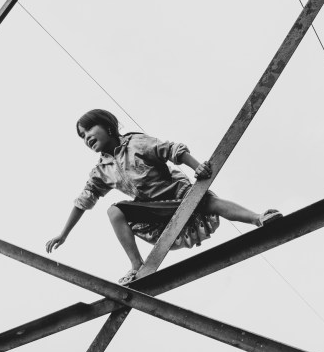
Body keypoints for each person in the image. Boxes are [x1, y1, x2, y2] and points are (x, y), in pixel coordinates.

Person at [45, 109, 281, 284]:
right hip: (153, 212)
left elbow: (171, 150)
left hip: (178, 195)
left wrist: (198, 168)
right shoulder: (101, 171)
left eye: (89, 130)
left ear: (107, 126)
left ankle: (258, 218)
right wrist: (63, 234)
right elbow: (83, 201)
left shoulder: (135, 143)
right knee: (114, 211)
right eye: (82, 136)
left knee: (207, 201)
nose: (86, 137)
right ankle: (137, 266)